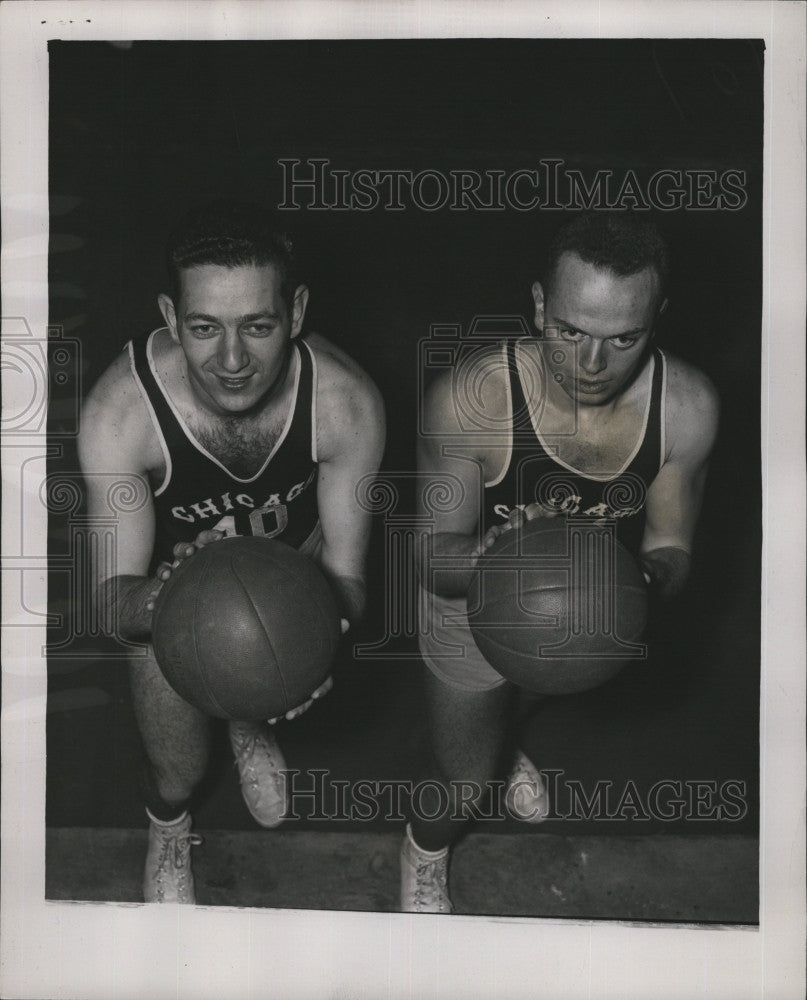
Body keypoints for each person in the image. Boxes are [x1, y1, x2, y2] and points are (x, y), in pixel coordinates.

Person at [401, 211, 719, 913]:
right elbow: (431, 558)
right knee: (462, 783)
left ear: (657, 317)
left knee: (524, 698)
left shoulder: (687, 409)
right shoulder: (467, 402)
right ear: (539, 304)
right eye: (569, 331)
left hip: (588, 607)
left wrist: (631, 579)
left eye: (622, 338)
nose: (591, 366)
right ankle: (424, 849)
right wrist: (497, 560)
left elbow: (672, 548)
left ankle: (503, 734)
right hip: (467, 600)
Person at [78, 201, 385, 903]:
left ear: (297, 310)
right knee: (177, 770)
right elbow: (111, 599)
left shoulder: (346, 404)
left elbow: (348, 576)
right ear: (169, 314)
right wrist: (174, 596)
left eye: (258, 325)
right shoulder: (120, 417)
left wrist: (311, 640)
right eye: (204, 328)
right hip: (169, 594)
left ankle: (247, 723)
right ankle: (168, 826)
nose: (233, 360)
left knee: (262, 662)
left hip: (291, 577)